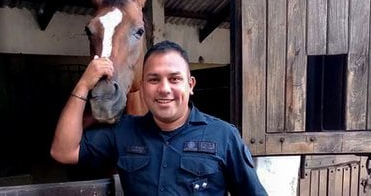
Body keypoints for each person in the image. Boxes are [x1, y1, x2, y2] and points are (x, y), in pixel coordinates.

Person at [51, 40, 267, 195]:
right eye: (154, 80)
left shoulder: (223, 136)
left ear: (190, 85)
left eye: (174, 79)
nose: (164, 89)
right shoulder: (124, 131)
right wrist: (84, 84)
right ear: (143, 87)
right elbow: (63, 151)